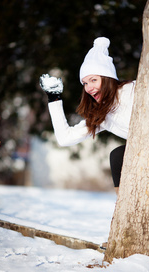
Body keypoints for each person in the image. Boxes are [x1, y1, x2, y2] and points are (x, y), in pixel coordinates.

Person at [40, 37, 135, 195]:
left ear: (107, 78)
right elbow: (65, 138)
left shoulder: (133, 89)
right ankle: (123, 205)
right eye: (85, 83)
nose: (89, 88)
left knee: (118, 155)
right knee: (118, 156)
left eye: (93, 80)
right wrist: (54, 99)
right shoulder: (102, 115)